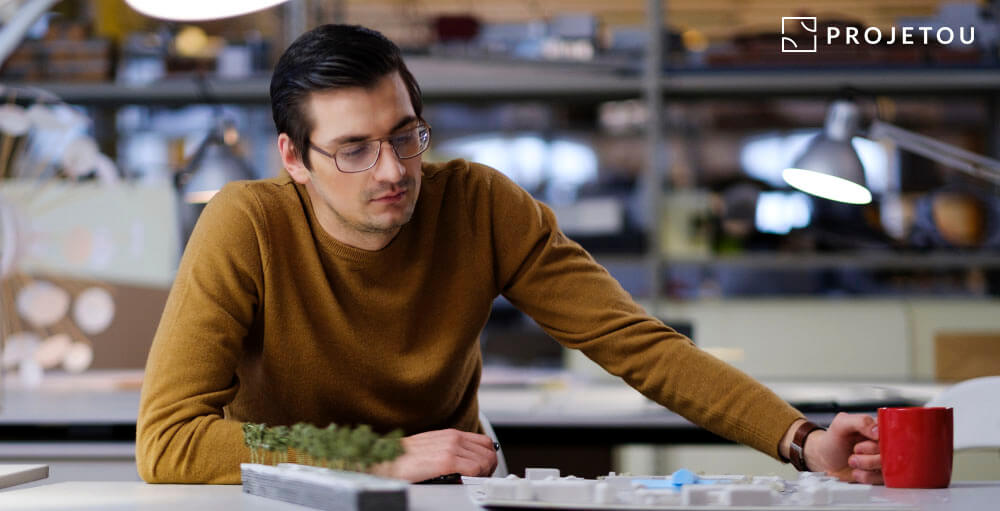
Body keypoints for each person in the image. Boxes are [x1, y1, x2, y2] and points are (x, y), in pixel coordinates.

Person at [136, 24, 882, 485]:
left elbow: (638, 343)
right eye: (355, 150)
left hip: (443, 492)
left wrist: (803, 438)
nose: (394, 170)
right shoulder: (246, 224)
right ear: (294, 158)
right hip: (280, 496)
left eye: (404, 135)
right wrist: (368, 452)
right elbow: (170, 440)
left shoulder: (481, 205)